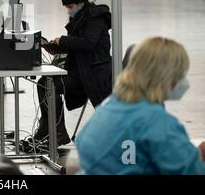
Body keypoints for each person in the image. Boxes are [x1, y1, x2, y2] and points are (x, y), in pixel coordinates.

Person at [76, 37, 205, 174]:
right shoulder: (157, 122)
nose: (183, 81)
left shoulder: (108, 106)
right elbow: (190, 170)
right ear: (165, 77)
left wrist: (193, 154)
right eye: (180, 74)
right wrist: (193, 158)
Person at [28, 0, 112, 147]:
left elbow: (88, 43)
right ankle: (50, 128)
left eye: (71, 7)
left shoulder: (96, 18)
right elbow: (76, 45)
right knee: (44, 83)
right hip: (81, 69)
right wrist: (56, 47)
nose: (69, 11)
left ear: (81, 3)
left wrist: (63, 41)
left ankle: (57, 133)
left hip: (94, 73)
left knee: (48, 84)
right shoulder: (80, 18)